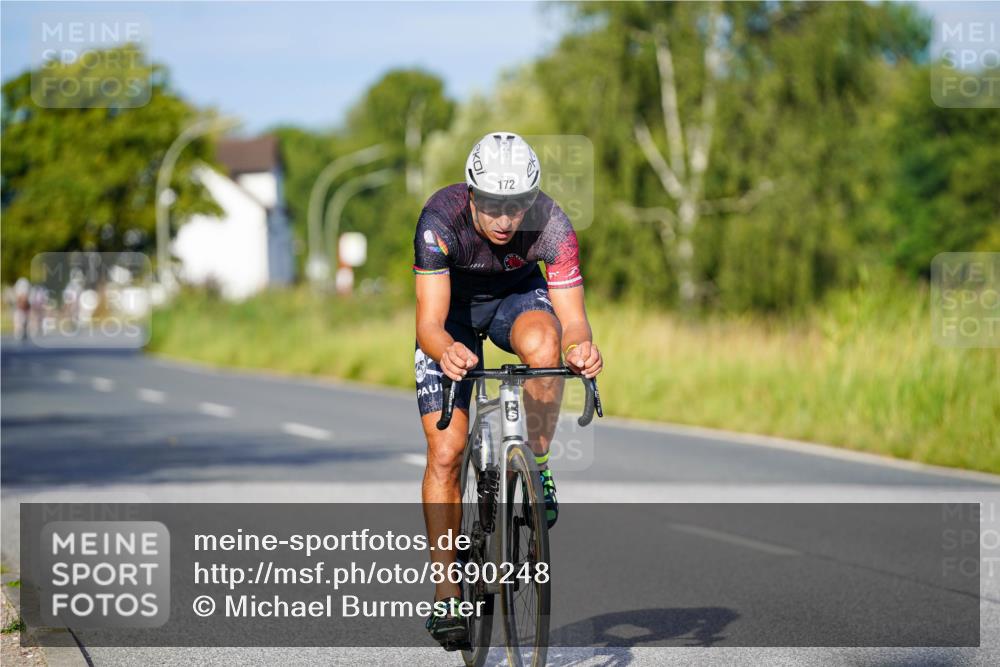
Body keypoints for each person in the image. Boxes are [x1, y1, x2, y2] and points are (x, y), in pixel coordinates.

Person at [414, 132, 603, 650]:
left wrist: (581, 349)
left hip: (514, 302)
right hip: (451, 316)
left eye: (517, 206)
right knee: (446, 452)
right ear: (471, 194)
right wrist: (446, 351)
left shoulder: (553, 224)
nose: (505, 219)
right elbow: (429, 324)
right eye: (493, 205)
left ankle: (536, 465)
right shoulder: (439, 220)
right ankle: (447, 595)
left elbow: (574, 321)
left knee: (547, 345)